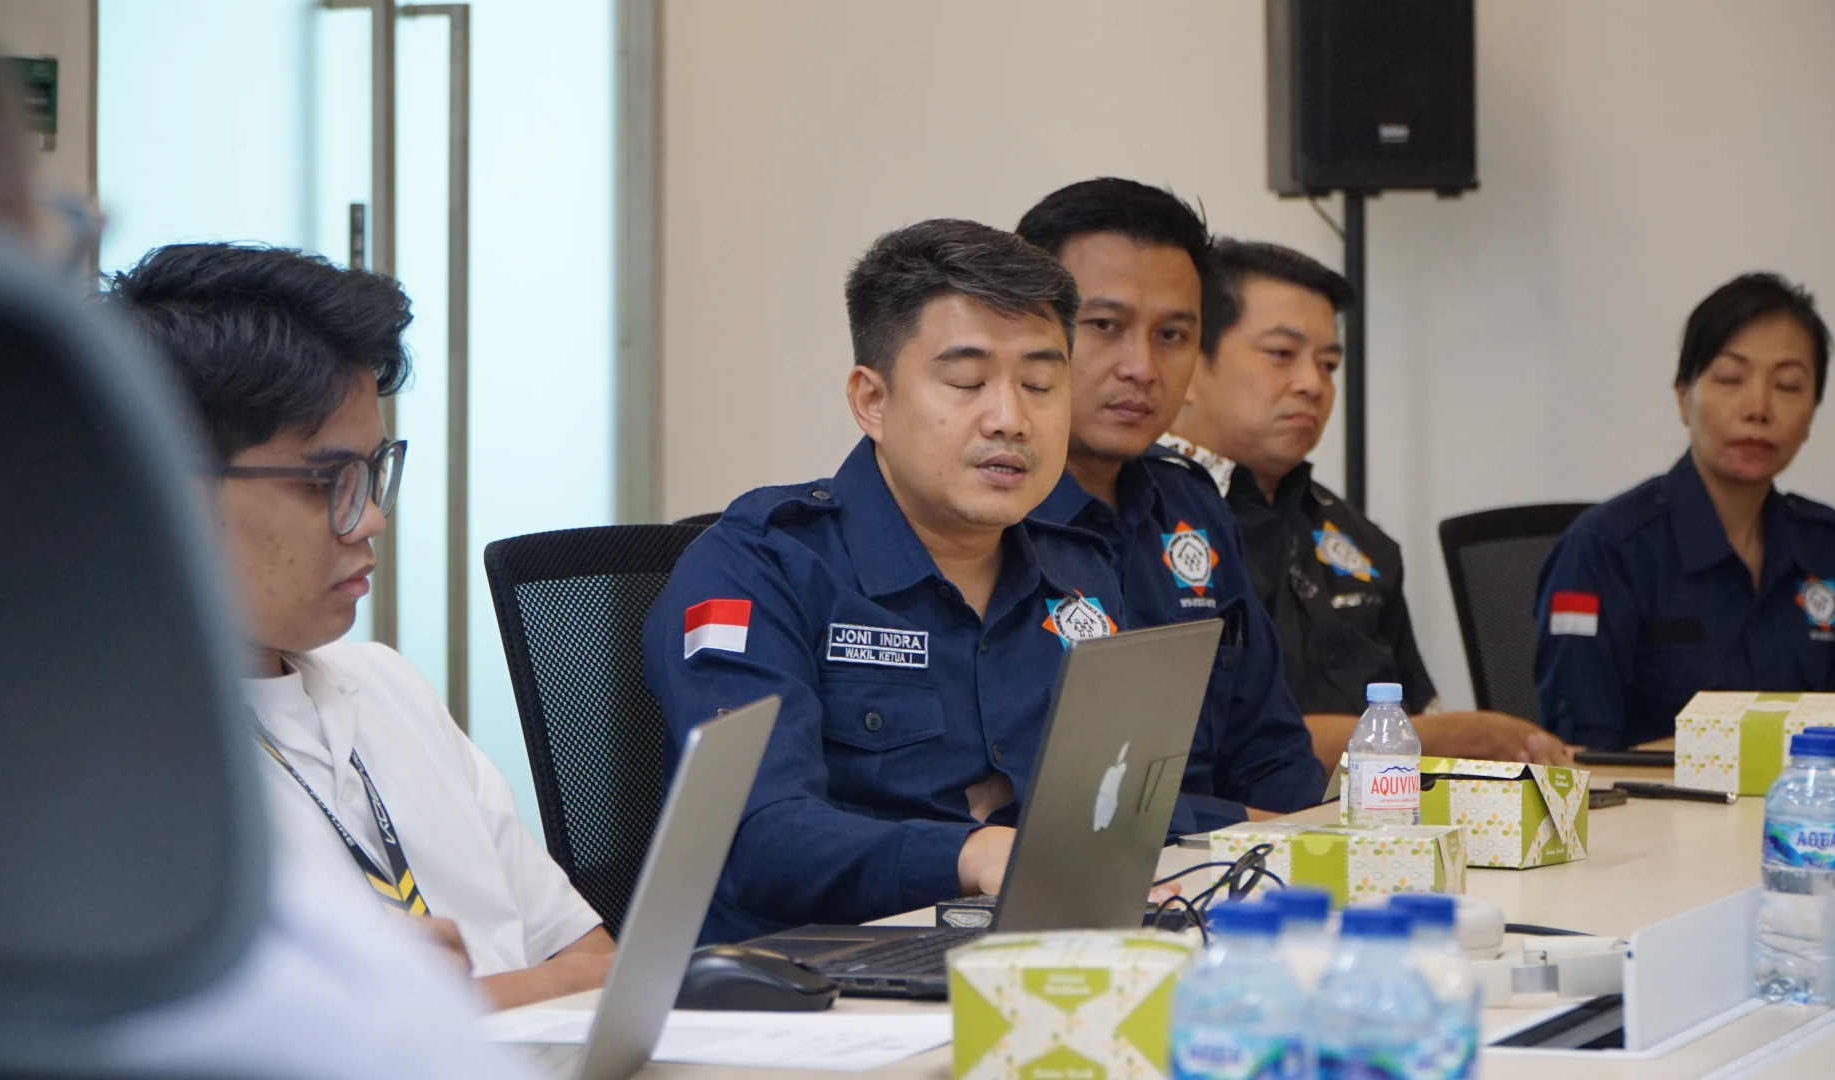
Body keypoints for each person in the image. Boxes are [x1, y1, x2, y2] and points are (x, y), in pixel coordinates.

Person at [103, 243, 613, 1010]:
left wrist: (437, 1008)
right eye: (327, 481)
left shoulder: (386, 684)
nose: (371, 518)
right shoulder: (115, 761)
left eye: (372, 473)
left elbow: (595, 961)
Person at [643, 219, 1134, 943]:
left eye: (1039, 384)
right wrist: (972, 853)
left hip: (1028, 946)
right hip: (805, 975)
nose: (1010, 419)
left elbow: (1120, 809)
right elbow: (753, 836)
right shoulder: (758, 567)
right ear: (872, 401)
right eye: (966, 382)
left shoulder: (1082, 573)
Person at [1165, 239, 1572, 773]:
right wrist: (1463, 736)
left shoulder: (1357, 538)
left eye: (1329, 364)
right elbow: (1201, 745)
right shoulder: (1145, 518)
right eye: (1281, 354)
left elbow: (1417, 718)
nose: (1313, 385)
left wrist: (1465, 744)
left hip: (1379, 813)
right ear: (1190, 366)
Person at [1015, 179, 1324, 827]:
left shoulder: (1191, 505)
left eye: (1173, 334)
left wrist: (1314, 846)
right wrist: (1247, 827)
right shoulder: (983, 515)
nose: (1142, 367)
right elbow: (1032, 801)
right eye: (1105, 325)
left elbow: (1270, 749)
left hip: (1233, 870)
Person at [1534, 273, 1835, 749]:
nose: (1759, 408)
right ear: (1683, 398)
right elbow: (1578, 761)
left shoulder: (1827, 548)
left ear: (1813, 412)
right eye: (1730, 378)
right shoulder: (1604, 551)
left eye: (1788, 386)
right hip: (1642, 799)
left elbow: (1831, 739)